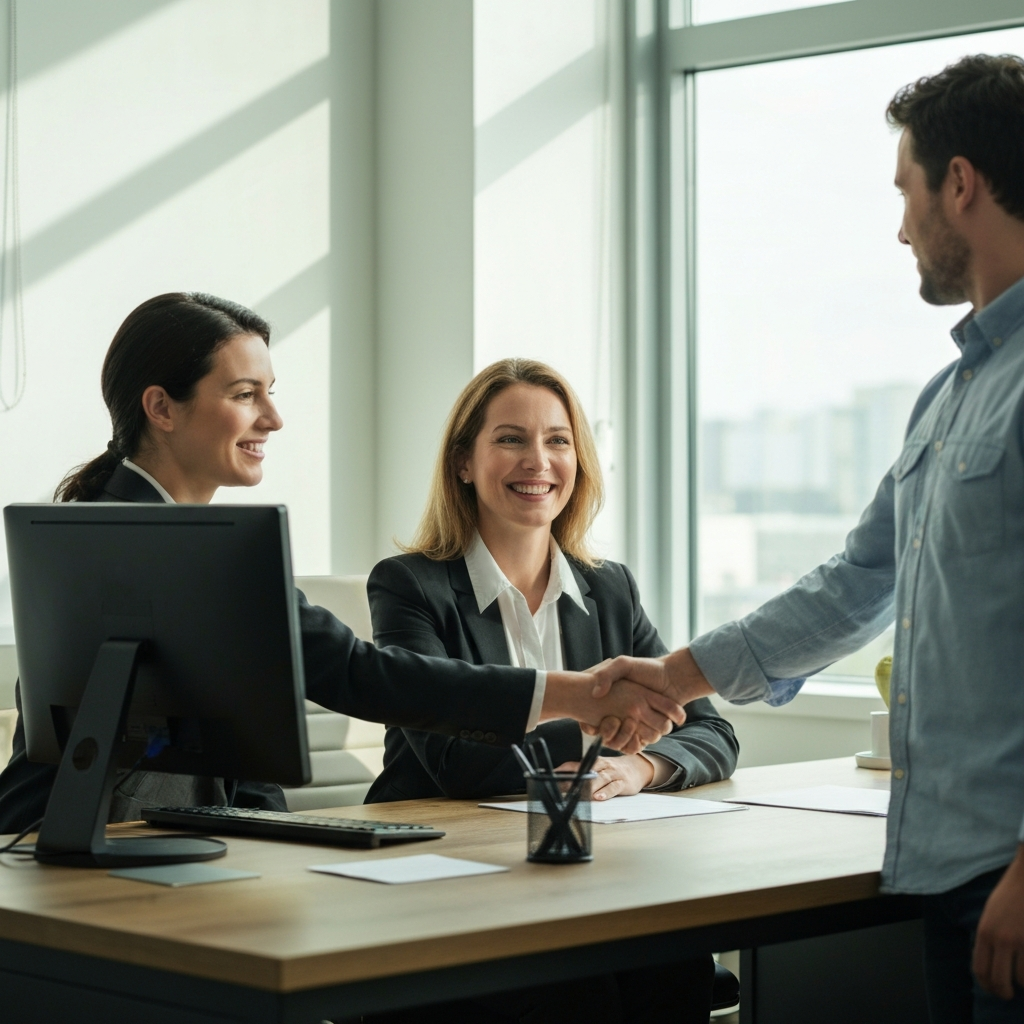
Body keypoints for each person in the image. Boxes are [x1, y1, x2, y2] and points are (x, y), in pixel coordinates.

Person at [590, 54, 1024, 1024]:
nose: (900, 224)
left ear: (958, 185)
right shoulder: (947, 397)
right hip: (946, 864)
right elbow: (851, 585)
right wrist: (675, 677)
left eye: (904, 189)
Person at [0, 292, 685, 835]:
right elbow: (359, 675)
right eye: (245, 395)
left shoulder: (181, 535)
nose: (273, 417)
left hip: (156, 838)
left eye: (272, 391)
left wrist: (286, 838)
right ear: (162, 408)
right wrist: (576, 694)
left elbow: (237, 740)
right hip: (76, 848)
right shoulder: (145, 541)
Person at [363, 358, 737, 1023]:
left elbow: (712, 731)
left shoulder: (608, 588)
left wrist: (637, 766)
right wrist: (594, 715)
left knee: (676, 964)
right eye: (511, 438)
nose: (537, 460)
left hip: (582, 875)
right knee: (573, 991)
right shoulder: (410, 586)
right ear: (464, 463)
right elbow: (460, 761)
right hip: (445, 878)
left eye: (557, 440)